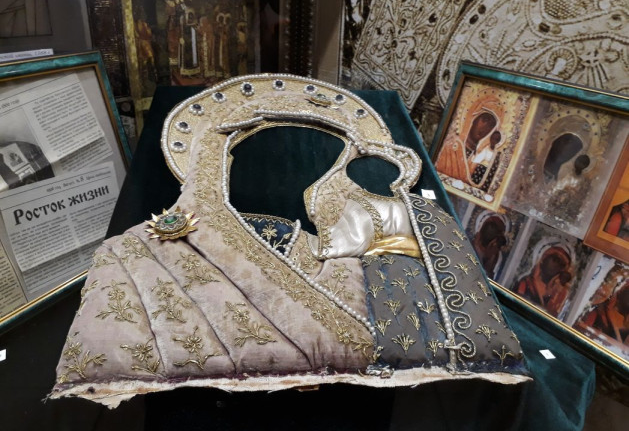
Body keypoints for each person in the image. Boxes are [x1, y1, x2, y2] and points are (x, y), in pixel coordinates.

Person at [51, 75, 528, 406]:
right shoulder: (137, 249)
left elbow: (452, 310)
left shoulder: (394, 232)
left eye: (342, 164)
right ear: (217, 162)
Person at [513, 239, 574, 317]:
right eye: (555, 260)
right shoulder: (526, 283)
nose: (556, 266)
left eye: (561, 265)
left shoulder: (558, 293)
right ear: (544, 258)